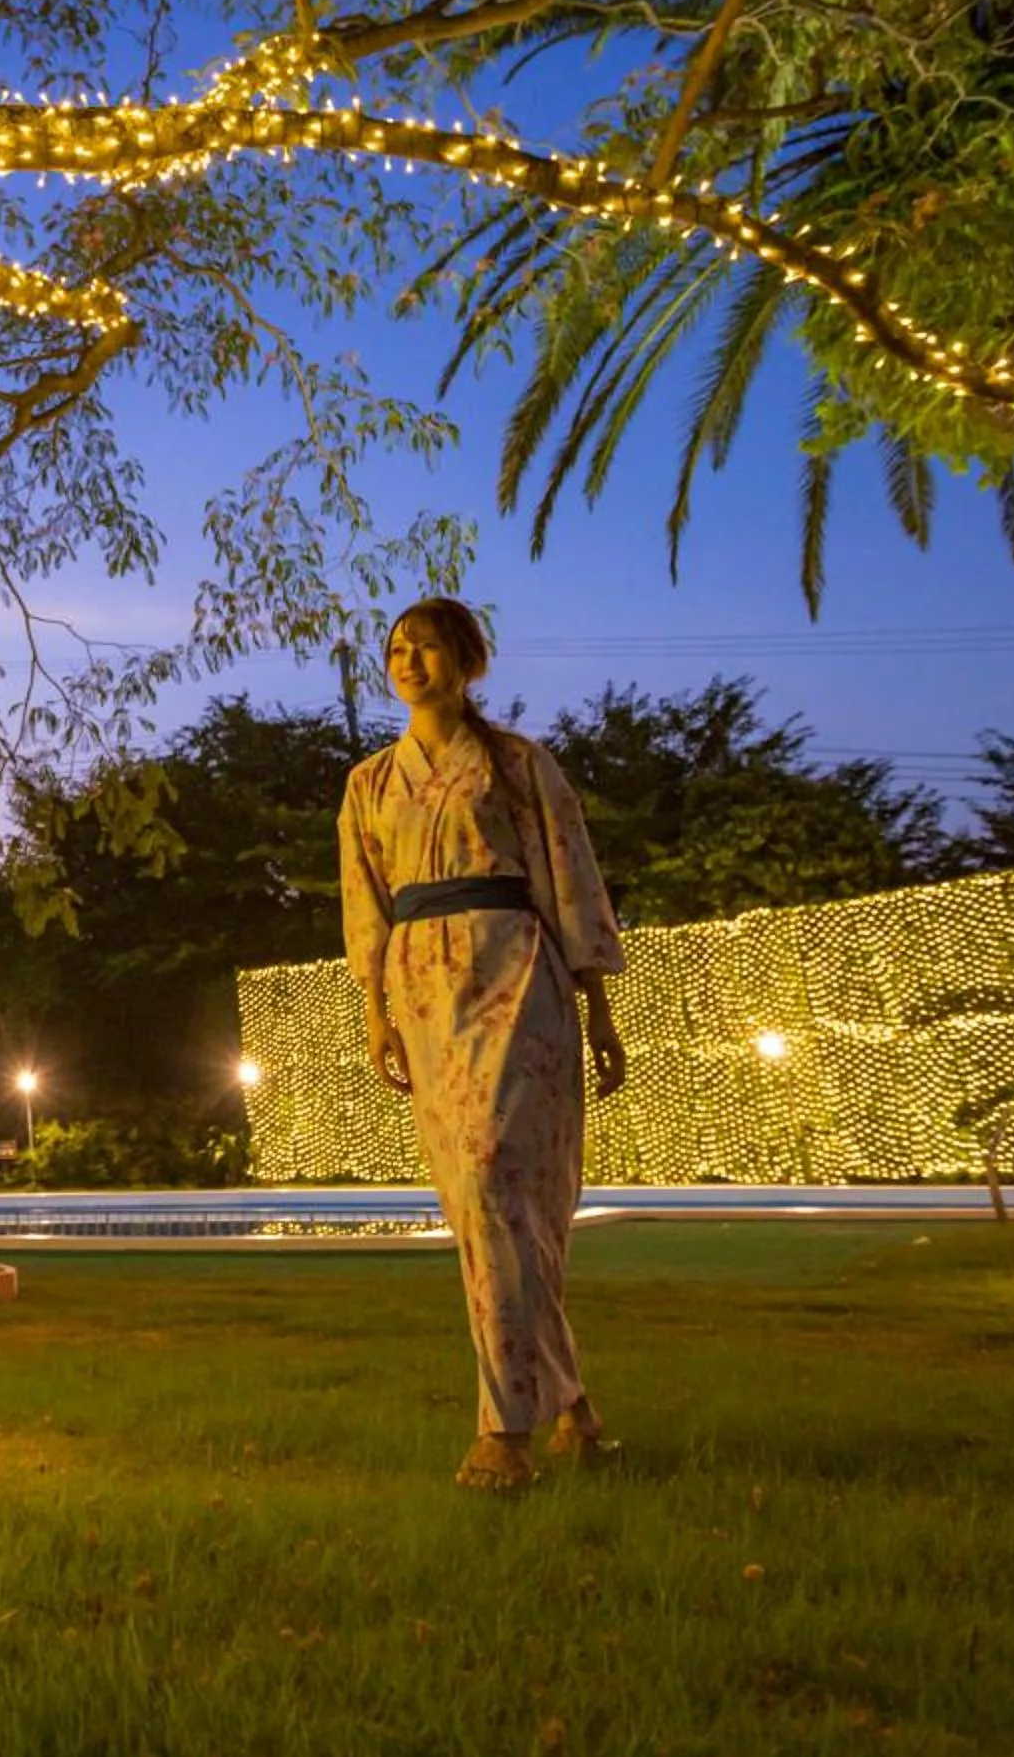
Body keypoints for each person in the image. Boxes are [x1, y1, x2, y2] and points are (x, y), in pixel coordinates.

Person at [338, 596, 629, 1491]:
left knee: (504, 1175)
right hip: (424, 993)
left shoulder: (517, 764)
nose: (408, 659)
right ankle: (575, 1411)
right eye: (396, 648)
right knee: (477, 1199)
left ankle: (503, 1429)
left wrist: (598, 1009)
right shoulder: (368, 785)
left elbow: (568, 875)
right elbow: (367, 903)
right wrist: (375, 1012)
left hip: (518, 974)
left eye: (426, 645)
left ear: (467, 658)